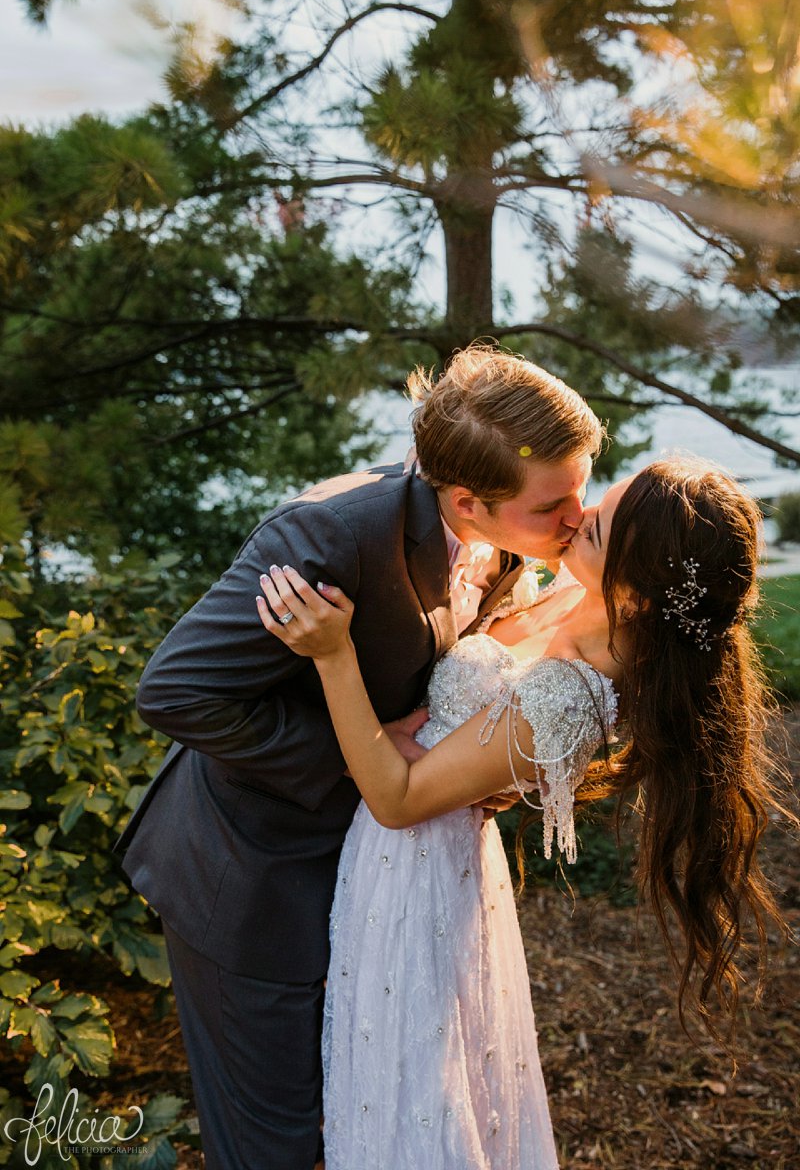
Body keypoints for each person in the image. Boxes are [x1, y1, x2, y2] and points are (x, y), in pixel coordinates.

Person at [115, 343, 604, 1170]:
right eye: (555, 503)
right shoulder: (326, 539)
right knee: (276, 1147)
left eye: (582, 492)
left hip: (380, 888)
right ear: (466, 500)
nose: (576, 519)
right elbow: (174, 692)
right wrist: (366, 755)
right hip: (255, 884)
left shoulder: (511, 532)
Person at [257, 457, 790, 1170]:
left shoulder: (570, 693)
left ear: (637, 597)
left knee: (412, 1087)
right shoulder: (581, 593)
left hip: (416, 872)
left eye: (597, 528)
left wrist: (332, 655)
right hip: (401, 849)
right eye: (598, 501)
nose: (577, 518)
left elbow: (397, 799)